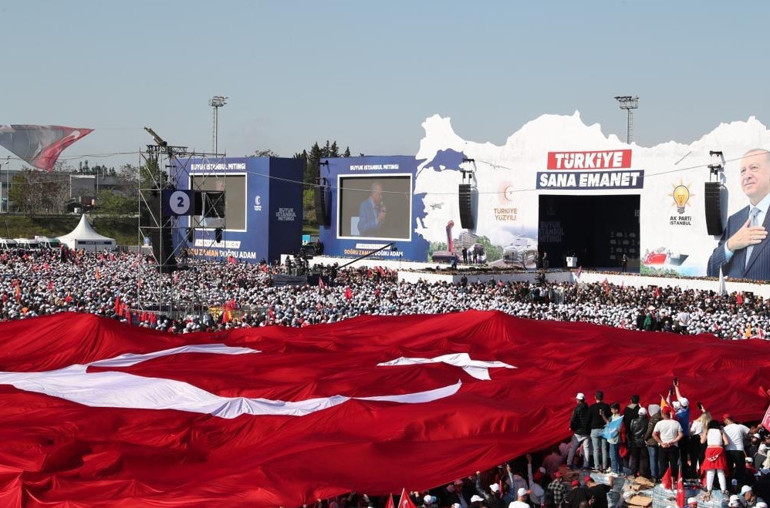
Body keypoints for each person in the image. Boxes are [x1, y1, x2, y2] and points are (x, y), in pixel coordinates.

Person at [707, 149, 770, 279]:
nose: (747, 175)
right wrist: (730, 245)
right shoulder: (734, 221)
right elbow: (711, 271)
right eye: (743, 171)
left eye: (754, 168)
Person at [701, 419, 729, 500]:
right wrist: (720, 443)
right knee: (720, 472)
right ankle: (723, 490)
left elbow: (702, 442)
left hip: (710, 450)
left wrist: (702, 436)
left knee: (710, 472)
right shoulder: (720, 431)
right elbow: (727, 442)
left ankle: (709, 490)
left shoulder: (707, 431)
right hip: (719, 450)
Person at [653, 407, 683, 479]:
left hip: (663, 446)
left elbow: (654, 434)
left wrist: (661, 442)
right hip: (673, 446)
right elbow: (681, 434)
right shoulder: (676, 423)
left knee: (663, 464)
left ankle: (664, 480)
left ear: (663, 414)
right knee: (673, 464)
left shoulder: (659, 423)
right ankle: (673, 480)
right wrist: (673, 441)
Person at [724, 414, 751, 488]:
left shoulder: (724, 429)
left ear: (726, 420)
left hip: (728, 451)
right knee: (740, 471)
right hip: (739, 451)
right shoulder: (740, 426)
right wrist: (758, 427)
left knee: (729, 471)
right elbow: (752, 431)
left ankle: (729, 488)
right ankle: (740, 488)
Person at [568, 392, 591, 470]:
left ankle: (569, 463)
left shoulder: (577, 408)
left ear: (578, 400)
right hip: (587, 431)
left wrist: (571, 427)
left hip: (578, 431)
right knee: (586, 449)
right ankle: (586, 465)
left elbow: (573, 419)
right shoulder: (588, 408)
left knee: (573, 448)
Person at [589, 391, 611, 472]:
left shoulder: (591, 407)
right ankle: (604, 467)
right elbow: (609, 418)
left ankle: (597, 467)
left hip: (594, 429)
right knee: (604, 449)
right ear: (603, 397)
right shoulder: (606, 406)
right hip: (604, 429)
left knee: (595, 449)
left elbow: (589, 419)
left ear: (595, 397)